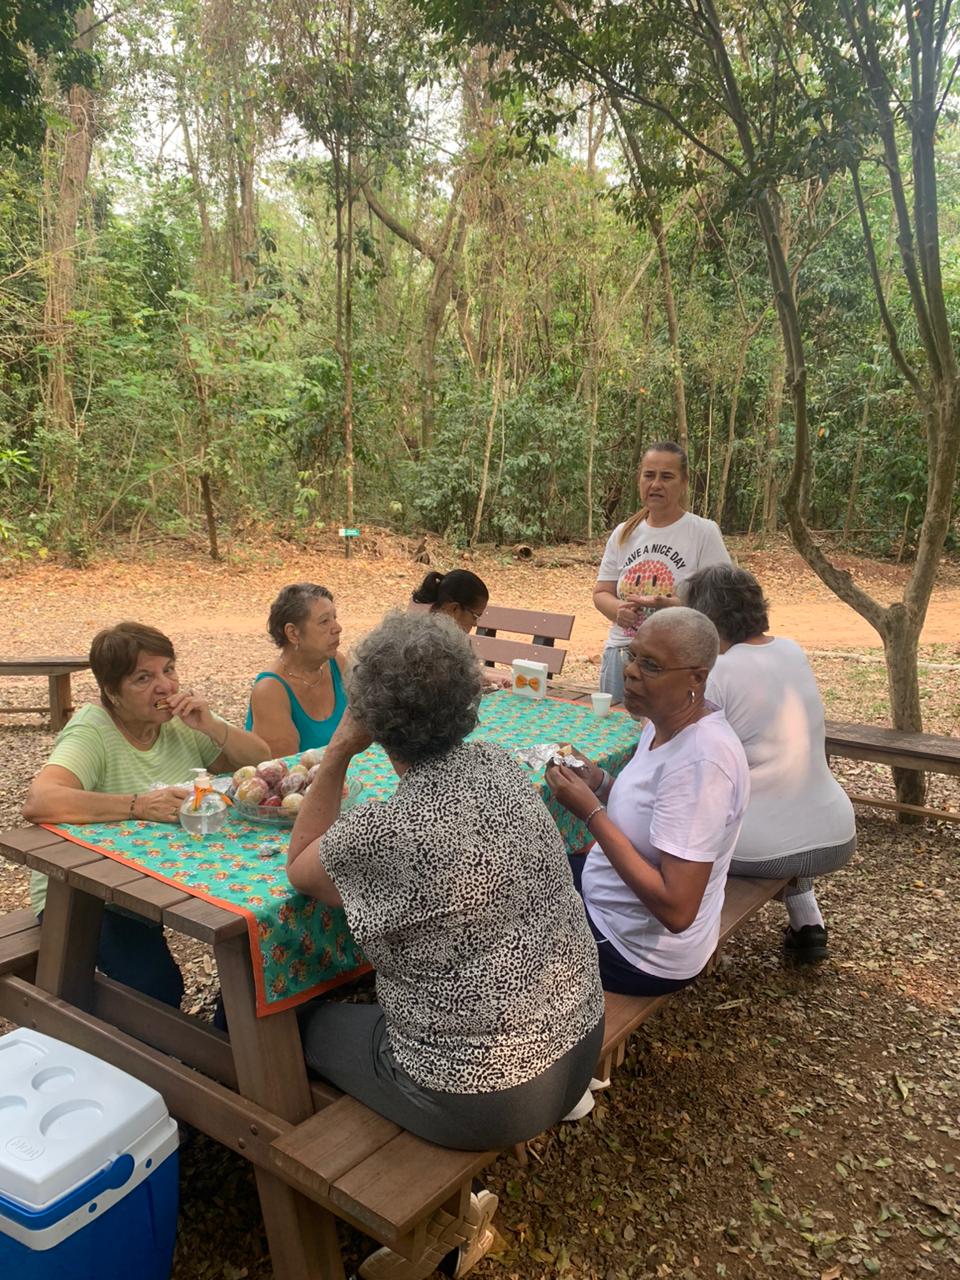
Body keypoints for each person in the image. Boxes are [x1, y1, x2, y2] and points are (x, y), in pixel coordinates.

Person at [287, 611, 604, 1279]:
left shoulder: (387, 829)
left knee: (292, 1022)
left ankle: (348, 1216)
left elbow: (302, 865)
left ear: (371, 714)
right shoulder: (495, 766)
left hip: (486, 1094)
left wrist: (341, 751)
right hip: (577, 1044)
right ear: (467, 697)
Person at [22, 621, 269, 1008]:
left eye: (168, 670)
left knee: (259, 930)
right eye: (143, 678)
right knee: (157, 988)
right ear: (112, 692)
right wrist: (138, 805)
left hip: (160, 879)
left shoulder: (180, 723)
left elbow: (262, 763)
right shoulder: (93, 728)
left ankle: (233, 1034)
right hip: (86, 894)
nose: (166, 686)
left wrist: (212, 725)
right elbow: (40, 800)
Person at [546, 607, 749, 997]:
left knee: (497, 917)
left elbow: (677, 910)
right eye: (633, 656)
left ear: (697, 677)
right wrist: (601, 781)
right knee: (524, 871)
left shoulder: (701, 763)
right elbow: (650, 807)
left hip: (635, 954)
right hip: (613, 907)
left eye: (652, 665)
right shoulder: (663, 723)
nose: (632, 672)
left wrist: (589, 811)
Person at [680, 564, 857, 964]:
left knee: (673, 821)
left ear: (706, 619)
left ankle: (687, 936)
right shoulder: (790, 649)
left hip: (763, 850)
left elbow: (684, 750)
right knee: (778, 802)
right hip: (836, 831)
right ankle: (807, 920)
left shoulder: (719, 671)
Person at [593, 440, 730, 704]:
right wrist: (617, 610)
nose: (656, 484)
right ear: (639, 479)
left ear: (684, 482)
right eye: (649, 475)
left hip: (675, 662)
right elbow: (601, 592)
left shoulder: (703, 532)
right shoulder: (624, 532)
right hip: (621, 654)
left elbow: (724, 602)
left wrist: (674, 607)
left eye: (666, 477)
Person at [246, 583, 347, 756]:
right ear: (293, 633)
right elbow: (287, 772)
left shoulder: (337, 663)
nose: (337, 628)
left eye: (335, 618)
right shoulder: (270, 691)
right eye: (324, 621)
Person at [411, 568, 512, 689]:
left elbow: (459, 676)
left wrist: (486, 678)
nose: (475, 624)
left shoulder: (425, 631)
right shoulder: (435, 646)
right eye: (475, 616)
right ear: (454, 609)